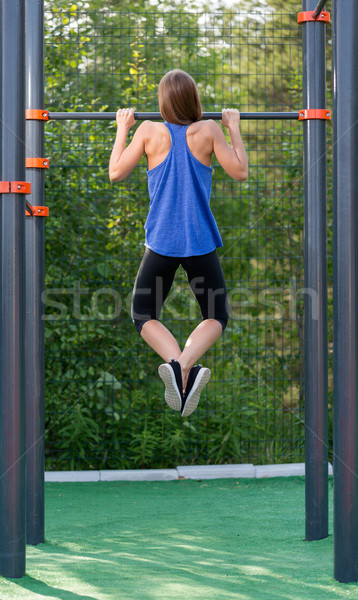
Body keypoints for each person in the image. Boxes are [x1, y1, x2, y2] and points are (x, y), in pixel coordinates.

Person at [109, 69, 248, 417]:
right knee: (216, 315)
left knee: (143, 314)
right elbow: (241, 170)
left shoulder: (147, 131)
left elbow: (115, 172)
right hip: (199, 241)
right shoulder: (209, 130)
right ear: (194, 99)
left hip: (160, 243)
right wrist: (233, 127)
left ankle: (177, 367)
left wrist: (122, 128)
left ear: (163, 101)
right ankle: (184, 364)